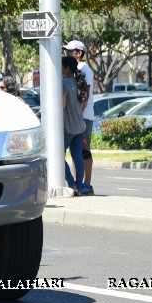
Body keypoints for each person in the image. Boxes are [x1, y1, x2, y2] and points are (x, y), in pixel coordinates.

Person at [63, 40, 96, 195]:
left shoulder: (84, 70)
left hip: (78, 120)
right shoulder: (78, 76)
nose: (66, 53)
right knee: (78, 153)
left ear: (79, 53)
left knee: (82, 152)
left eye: (69, 51)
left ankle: (79, 184)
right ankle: (79, 184)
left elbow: (84, 99)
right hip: (79, 121)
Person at [61, 56, 87, 195]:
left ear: (67, 68)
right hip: (80, 125)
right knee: (78, 156)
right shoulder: (80, 82)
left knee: (58, 155)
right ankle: (79, 186)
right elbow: (84, 103)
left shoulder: (64, 83)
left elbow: (63, 105)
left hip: (68, 127)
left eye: (61, 66)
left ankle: (71, 185)